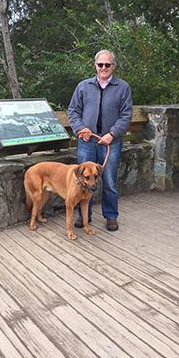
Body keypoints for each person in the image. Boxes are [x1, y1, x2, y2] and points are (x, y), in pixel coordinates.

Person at [68, 50, 133, 231]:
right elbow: (73, 111)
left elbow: (126, 115)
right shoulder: (83, 86)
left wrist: (112, 134)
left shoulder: (123, 87)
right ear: (95, 65)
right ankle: (84, 216)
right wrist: (81, 129)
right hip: (87, 142)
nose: (104, 68)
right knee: (82, 180)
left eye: (108, 64)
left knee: (109, 181)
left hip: (111, 143)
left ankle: (111, 216)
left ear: (114, 66)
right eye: (100, 64)